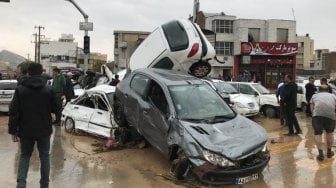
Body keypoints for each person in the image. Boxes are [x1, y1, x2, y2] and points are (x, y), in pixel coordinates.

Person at [8, 63, 60, 188]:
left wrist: (13, 131)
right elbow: (57, 108)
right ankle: (44, 185)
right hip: (44, 130)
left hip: (25, 130)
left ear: (28, 73)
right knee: (45, 156)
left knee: (25, 156)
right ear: (41, 73)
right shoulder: (48, 89)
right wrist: (55, 119)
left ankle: (21, 184)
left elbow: (13, 111)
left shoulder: (20, 89)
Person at [310, 85, 336, 161]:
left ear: (319, 90)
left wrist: (313, 115)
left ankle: (320, 154)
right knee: (330, 133)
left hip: (317, 115)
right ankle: (329, 152)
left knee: (318, 134)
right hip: (331, 116)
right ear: (328, 90)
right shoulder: (333, 96)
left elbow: (311, 107)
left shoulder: (314, 96)